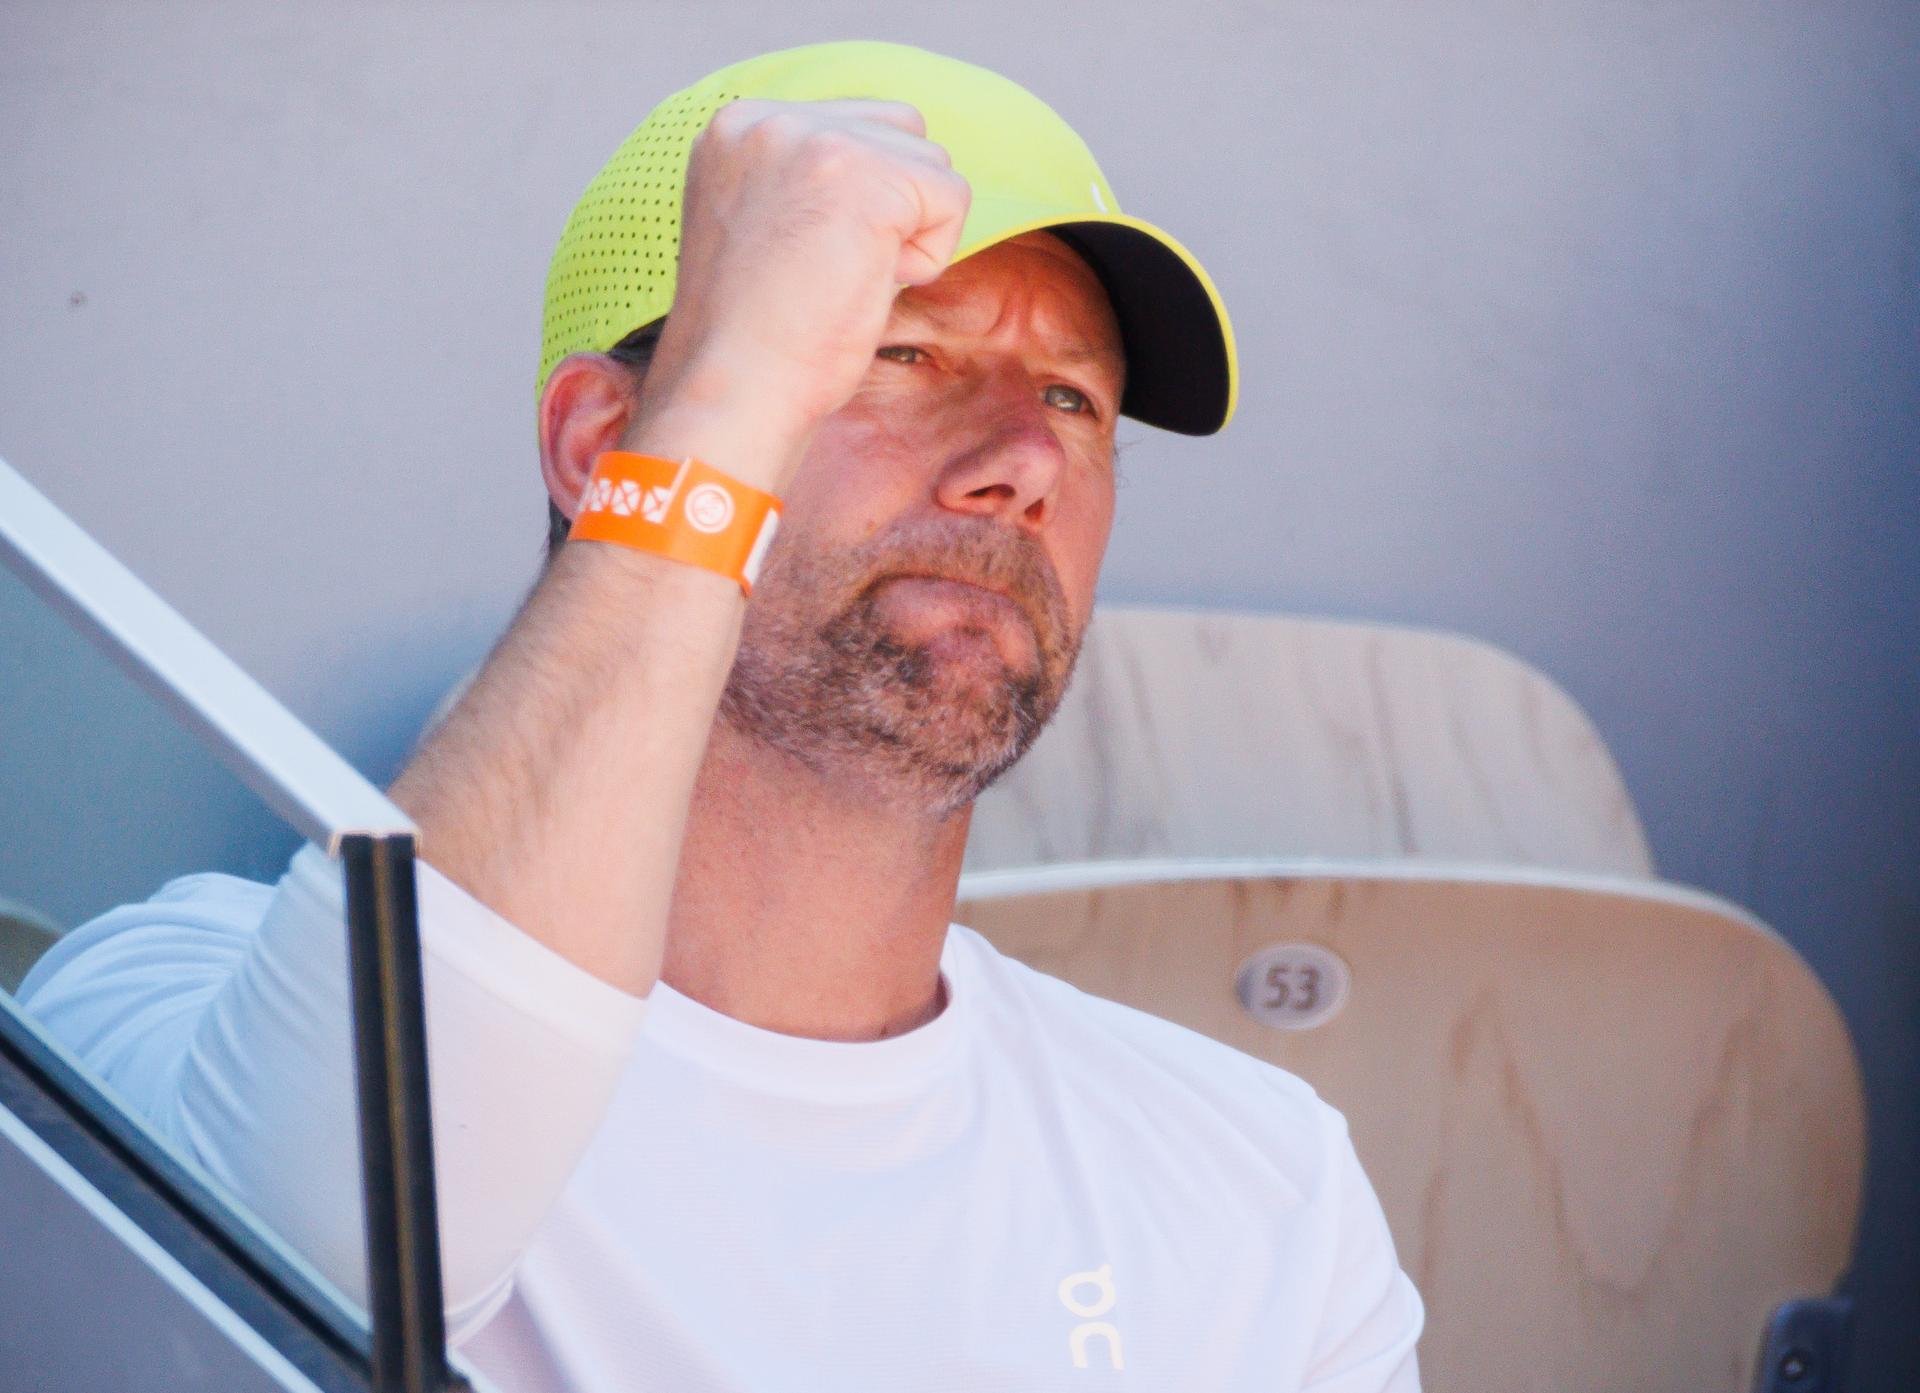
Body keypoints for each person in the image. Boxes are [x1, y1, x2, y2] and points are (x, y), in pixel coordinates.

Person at [21, 40, 1423, 1391]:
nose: (1023, 461)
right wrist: (729, 400)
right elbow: (332, 1254)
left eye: (1073, 396)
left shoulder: (1259, 1190)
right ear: (601, 446)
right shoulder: (158, 1005)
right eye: (894, 353)